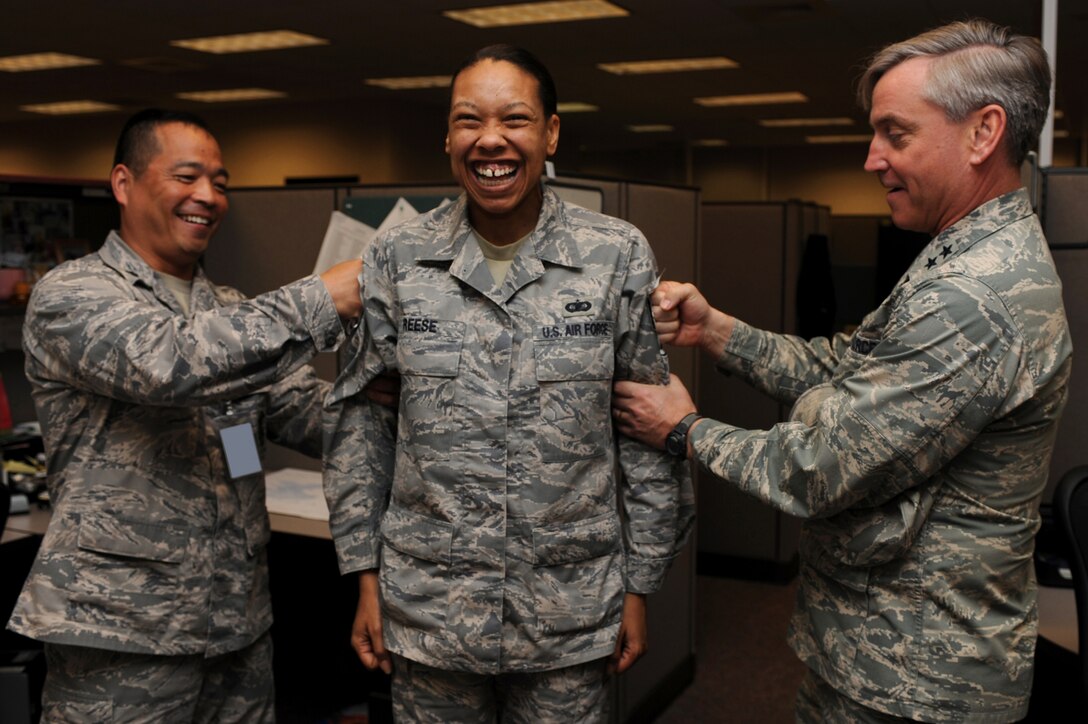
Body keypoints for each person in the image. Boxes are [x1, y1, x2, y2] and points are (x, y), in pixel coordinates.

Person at [612, 19, 1071, 723]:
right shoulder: (963, 254)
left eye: (896, 133)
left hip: (916, 682)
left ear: (983, 133)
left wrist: (683, 431)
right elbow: (846, 368)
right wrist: (718, 333)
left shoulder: (973, 296)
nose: (871, 158)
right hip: (883, 657)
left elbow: (821, 467)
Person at [323, 45, 694, 722]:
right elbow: (363, 426)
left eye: (514, 119)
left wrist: (639, 585)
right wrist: (364, 576)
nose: (490, 140)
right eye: (469, 120)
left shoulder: (614, 254)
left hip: (569, 612)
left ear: (550, 133)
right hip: (429, 610)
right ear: (447, 137)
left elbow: (650, 431)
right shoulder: (397, 257)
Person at [7, 108, 367, 722]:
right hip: (121, 635)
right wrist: (321, 297)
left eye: (221, 182)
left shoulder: (227, 307)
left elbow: (306, 412)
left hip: (237, 628)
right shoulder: (73, 294)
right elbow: (169, 363)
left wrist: (392, 398)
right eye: (187, 177)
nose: (208, 196)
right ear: (124, 184)